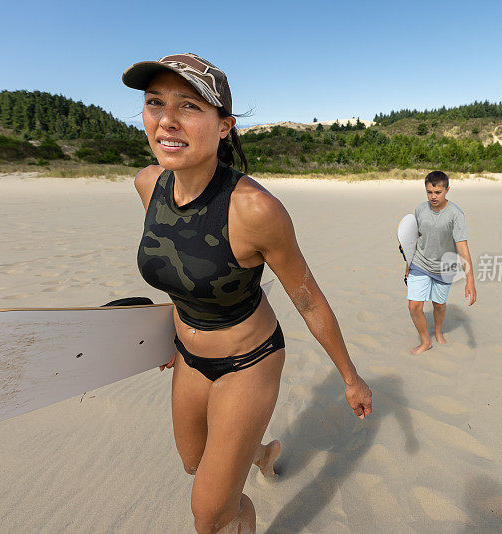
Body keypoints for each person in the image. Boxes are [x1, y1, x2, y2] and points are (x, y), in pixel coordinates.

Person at [123, 53, 372, 534]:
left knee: (211, 513)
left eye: (189, 106)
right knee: (194, 463)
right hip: (188, 356)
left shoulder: (255, 209)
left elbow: (308, 299)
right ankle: (260, 451)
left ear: (223, 126)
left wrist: (350, 377)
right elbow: (180, 266)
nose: (167, 120)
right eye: (155, 103)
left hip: (248, 361)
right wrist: (165, 336)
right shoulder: (148, 184)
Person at [405, 171, 477, 354]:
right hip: (420, 263)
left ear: (447, 190)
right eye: (429, 192)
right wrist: (408, 264)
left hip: (444, 267)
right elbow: (413, 239)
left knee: (438, 305)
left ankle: (438, 331)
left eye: (438, 192)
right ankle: (425, 341)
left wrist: (470, 280)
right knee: (414, 306)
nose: (433, 196)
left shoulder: (455, 214)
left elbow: (462, 247)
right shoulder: (420, 210)